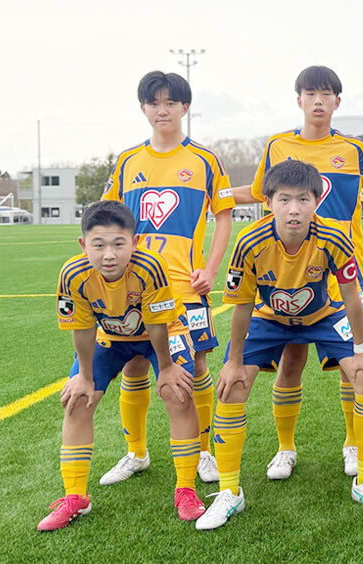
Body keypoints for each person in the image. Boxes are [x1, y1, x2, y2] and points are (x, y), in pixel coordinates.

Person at [232, 66, 363, 481]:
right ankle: (285, 448)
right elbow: (255, 192)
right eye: (311, 93)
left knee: (350, 361)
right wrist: (208, 195)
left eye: (326, 94)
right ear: (299, 100)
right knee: (291, 360)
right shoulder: (278, 145)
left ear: (337, 101)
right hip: (286, 271)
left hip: (340, 268)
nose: (318, 101)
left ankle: (353, 443)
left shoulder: (353, 149)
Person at [196, 160, 363, 530]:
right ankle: (230, 490)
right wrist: (233, 360)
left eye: (303, 199)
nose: (294, 209)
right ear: (268, 202)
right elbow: (242, 305)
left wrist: (362, 347)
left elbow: (351, 295)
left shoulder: (335, 237)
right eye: (284, 199)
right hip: (270, 318)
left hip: (324, 315)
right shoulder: (249, 242)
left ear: (316, 201)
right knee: (232, 384)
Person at [100, 71, 234, 486]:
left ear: (184, 107)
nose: (163, 110)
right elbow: (107, 217)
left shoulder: (205, 160)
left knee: (196, 364)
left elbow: (224, 215)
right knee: (135, 365)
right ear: (143, 108)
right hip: (134, 288)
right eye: (154, 102)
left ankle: (204, 451)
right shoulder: (127, 161)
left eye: (171, 102)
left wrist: (210, 269)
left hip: (185, 287)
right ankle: (136, 453)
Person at [39, 201, 204, 531]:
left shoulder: (150, 267)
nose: (109, 255)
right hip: (112, 335)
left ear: (135, 242)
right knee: (77, 400)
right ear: (84, 244)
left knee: (178, 393)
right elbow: (82, 328)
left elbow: (157, 324)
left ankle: (186, 488)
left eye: (118, 244)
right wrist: (85, 377)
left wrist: (166, 368)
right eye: (99, 245)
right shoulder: (73, 274)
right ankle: (75, 496)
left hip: (165, 331)